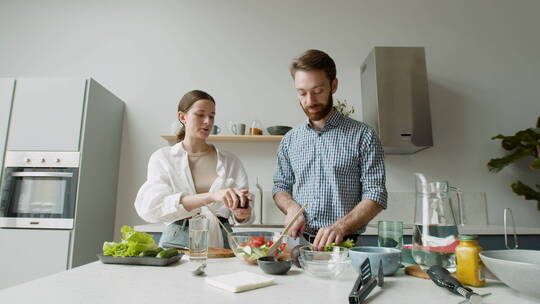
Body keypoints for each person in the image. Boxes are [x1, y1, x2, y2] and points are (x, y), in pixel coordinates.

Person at [272, 49, 388, 251]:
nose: (309, 101)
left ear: (333, 85)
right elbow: (280, 187)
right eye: (302, 93)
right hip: (299, 246)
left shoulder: (363, 135)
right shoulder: (290, 140)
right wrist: (291, 207)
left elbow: (376, 194)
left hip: (347, 247)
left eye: (317, 91)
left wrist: (340, 227)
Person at [135, 90, 254, 249]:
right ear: (182, 117)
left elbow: (244, 216)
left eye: (212, 116)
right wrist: (212, 196)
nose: (207, 121)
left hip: (222, 242)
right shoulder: (163, 158)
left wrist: (242, 214)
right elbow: (153, 207)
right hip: (177, 241)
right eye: (200, 115)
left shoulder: (230, 161)